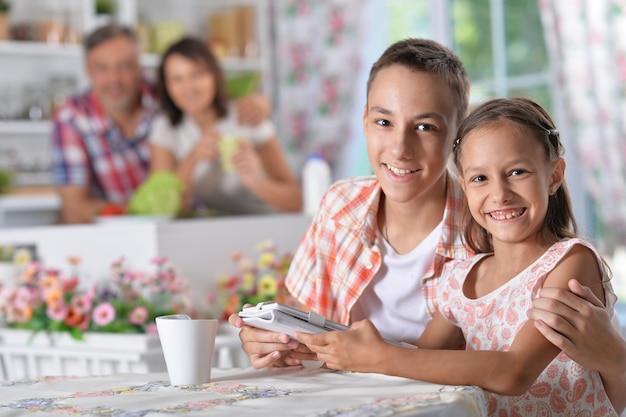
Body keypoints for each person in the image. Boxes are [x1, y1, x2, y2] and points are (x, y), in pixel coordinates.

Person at [228, 38, 626, 405]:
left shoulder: (503, 241)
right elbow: (329, 330)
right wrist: (276, 341)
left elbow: (513, 371)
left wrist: (376, 355)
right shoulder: (347, 210)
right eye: (384, 122)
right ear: (365, 120)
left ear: (457, 134)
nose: (400, 149)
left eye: (425, 127)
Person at [298, 97, 622, 416]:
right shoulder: (459, 277)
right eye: (480, 178)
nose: (500, 194)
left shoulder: (571, 262)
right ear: (464, 187)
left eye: (517, 172)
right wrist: (338, 349)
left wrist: (379, 356)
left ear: (553, 176)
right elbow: (419, 361)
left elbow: (513, 373)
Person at [51, 24, 272, 224]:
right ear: (88, 71)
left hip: (185, 222)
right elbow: (75, 208)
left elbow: (210, 94)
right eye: (102, 68)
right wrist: (147, 213)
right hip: (118, 229)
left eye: (124, 66)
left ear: (139, 66)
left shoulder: (167, 95)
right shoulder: (71, 118)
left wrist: (258, 102)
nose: (114, 79)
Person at [149, 37, 302, 215]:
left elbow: (296, 201)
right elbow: (160, 207)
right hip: (221, 230)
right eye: (177, 79)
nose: (189, 87)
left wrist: (255, 181)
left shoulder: (246, 116)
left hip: (270, 222)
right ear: (166, 86)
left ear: (214, 75)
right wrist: (193, 158)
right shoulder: (166, 128)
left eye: (197, 74)